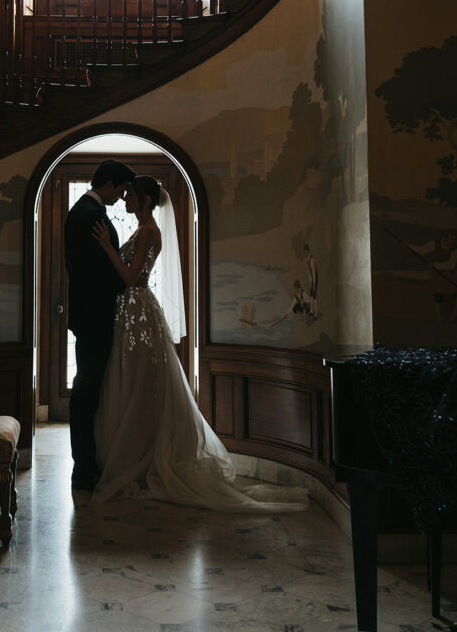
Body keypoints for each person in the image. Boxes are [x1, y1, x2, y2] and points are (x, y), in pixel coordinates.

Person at [92, 175, 307, 512]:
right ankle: (136, 454)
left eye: (131, 194)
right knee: (133, 382)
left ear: (147, 199)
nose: (125, 199)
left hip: (138, 309)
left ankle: (144, 458)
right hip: (131, 312)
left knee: (139, 383)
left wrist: (106, 247)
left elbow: (133, 277)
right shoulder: (142, 229)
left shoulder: (149, 231)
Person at [64, 158, 136, 491]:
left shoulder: (82, 211)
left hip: (89, 313)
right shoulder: (91, 216)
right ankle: (83, 466)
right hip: (96, 314)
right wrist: (122, 283)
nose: (122, 196)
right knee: (87, 390)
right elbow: (98, 272)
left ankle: (87, 461)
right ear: (108, 183)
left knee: (88, 386)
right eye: (121, 189)